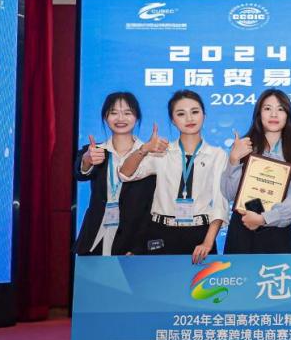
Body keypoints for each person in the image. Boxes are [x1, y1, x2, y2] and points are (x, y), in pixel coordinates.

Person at [120, 90, 228, 263]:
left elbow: (220, 202)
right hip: (161, 232)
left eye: (195, 112)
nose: (189, 118)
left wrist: (208, 242)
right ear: (172, 120)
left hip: (199, 234)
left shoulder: (217, 154)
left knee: (201, 281)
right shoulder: (162, 151)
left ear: (204, 115)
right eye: (181, 114)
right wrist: (144, 149)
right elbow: (126, 173)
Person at [221, 89, 291, 254]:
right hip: (243, 226)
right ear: (259, 114)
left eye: (280, 109)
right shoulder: (244, 147)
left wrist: (264, 219)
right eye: (267, 108)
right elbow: (229, 194)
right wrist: (234, 160)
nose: (274, 114)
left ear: (287, 116)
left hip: (278, 233)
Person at [74, 91, 155, 256]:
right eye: (114, 113)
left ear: (137, 117)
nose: (120, 118)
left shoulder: (150, 156)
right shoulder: (95, 151)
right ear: (105, 117)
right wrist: (87, 159)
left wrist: (139, 247)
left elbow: (151, 208)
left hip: (131, 242)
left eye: (127, 113)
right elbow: (81, 173)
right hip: (94, 238)